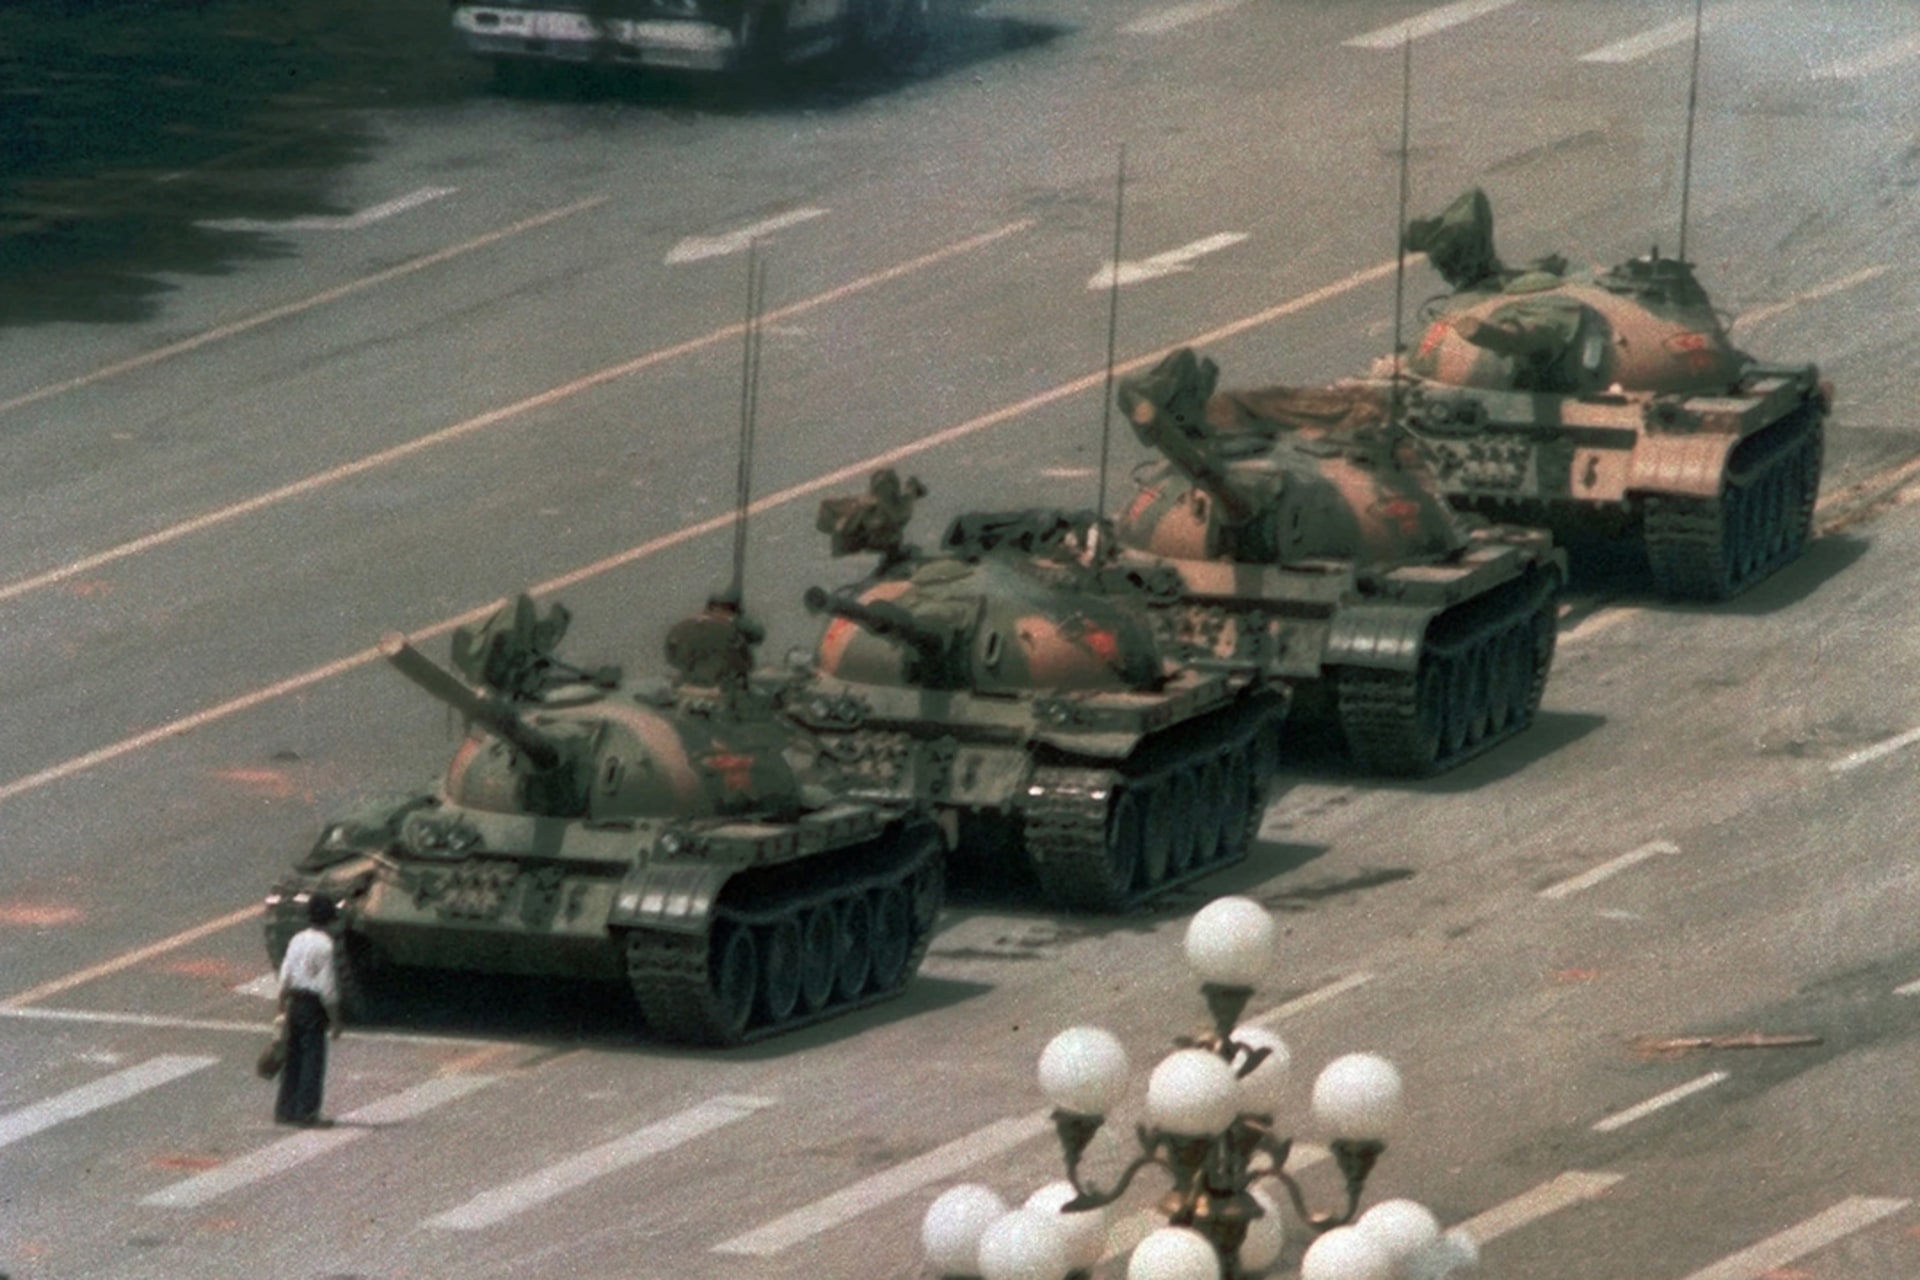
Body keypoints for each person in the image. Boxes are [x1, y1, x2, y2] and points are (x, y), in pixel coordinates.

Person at [275, 895, 343, 1127]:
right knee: (312, 1058)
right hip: (313, 1006)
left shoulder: (297, 939)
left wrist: (282, 1005)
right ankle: (307, 1112)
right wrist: (335, 1021)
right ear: (330, 920)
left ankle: (285, 1109)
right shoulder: (325, 945)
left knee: (293, 1057)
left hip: (295, 1001)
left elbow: (285, 974)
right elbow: (328, 987)